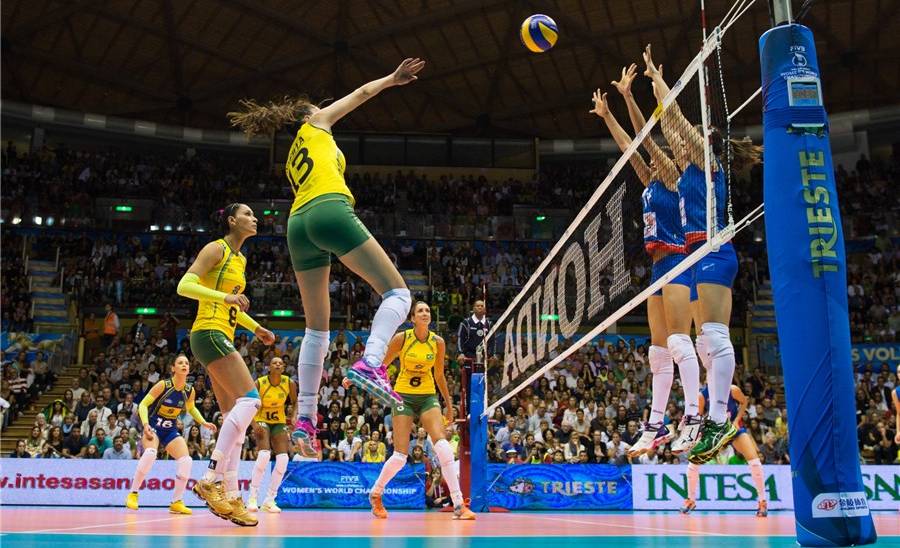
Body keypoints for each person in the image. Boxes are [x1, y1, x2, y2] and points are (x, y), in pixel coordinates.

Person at [228, 58, 425, 456]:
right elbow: (361, 94)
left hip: (298, 224)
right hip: (328, 209)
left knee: (317, 328)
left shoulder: (291, 158)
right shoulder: (316, 123)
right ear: (311, 114)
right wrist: (391, 78)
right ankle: (372, 360)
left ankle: (305, 419)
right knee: (399, 294)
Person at [641, 44, 761, 463]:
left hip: (714, 250)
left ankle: (716, 418)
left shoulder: (709, 162)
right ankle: (702, 419)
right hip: (692, 258)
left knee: (711, 337)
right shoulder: (685, 170)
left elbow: (676, 126)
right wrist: (651, 97)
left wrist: (659, 83)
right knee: (702, 344)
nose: (679, 146)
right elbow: (666, 132)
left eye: (688, 141)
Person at [590, 77, 701, 456]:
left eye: (657, 153)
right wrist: (607, 115)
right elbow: (630, 145)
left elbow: (645, 136)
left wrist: (629, 97)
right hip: (657, 268)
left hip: (678, 259)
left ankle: (693, 414)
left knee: (677, 341)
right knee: (657, 353)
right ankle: (656, 425)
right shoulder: (649, 180)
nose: (650, 156)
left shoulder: (672, 177)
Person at [176, 203, 275, 527]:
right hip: (208, 332)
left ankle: (231, 497)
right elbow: (185, 286)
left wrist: (254, 327)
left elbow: (232, 305)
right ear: (232, 221)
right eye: (247, 214)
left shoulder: (241, 258)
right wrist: (225, 299)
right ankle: (210, 477)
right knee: (252, 400)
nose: (254, 218)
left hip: (222, 332)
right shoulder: (215, 248)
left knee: (236, 417)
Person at [362, 302, 474, 520]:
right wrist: (360, 380)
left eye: (427, 311)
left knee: (442, 446)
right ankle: (376, 494)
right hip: (402, 396)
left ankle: (459, 504)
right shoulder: (402, 338)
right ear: (412, 318)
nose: (425, 313)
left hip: (427, 396)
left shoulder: (437, 342)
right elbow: (381, 365)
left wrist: (450, 406)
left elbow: (440, 376)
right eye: (420, 310)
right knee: (400, 456)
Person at [126, 355, 216, 515]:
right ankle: (133, 494)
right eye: (180, 363)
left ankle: (176, 502)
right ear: (173, 368)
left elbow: (191, 409)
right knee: (150, 453)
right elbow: (143, 404)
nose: (184, 365)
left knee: (186, 460)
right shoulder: (163, 385)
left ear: (189, 369)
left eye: (186, 363)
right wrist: (145, 424)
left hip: (170, 430)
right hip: (153, 427)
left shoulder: (189, 390)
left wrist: (203, 422)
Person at [682, 383, 768, 517]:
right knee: (693, 465)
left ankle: (762, 501)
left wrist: (737, 419)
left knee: (755, 462)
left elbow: (744, 402)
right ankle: (690, 500)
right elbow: (698, 417)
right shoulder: (703, 394)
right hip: (714, 433)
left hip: (733, 430)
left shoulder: (732, 389)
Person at [247, 356, 297, 513]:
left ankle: (269, 499)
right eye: (274, 362)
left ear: (283, 368)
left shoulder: (289, 383)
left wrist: (294, 416)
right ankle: (252, 498)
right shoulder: (260, 383)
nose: (277, 364)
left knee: (283, 459)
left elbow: (295, 402)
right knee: (263, 455)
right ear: (269, 367)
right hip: (261, 419)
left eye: (280, 363)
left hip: (279, 421)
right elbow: (250, 404)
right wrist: (254, 424)